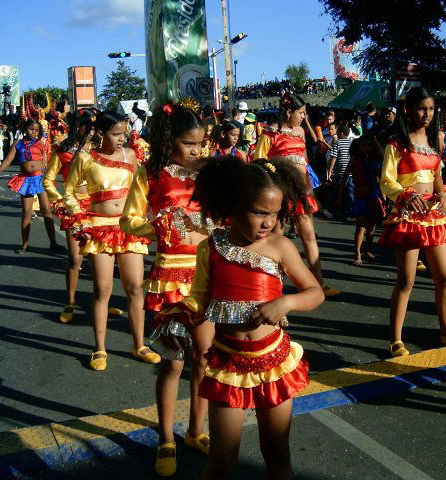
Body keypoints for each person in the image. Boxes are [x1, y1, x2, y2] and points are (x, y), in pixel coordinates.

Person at [171, 156, 324, 480]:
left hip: (274, 362)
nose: (268, 222)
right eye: (259, 213)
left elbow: (315, 292)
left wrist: (287, 302)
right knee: (222, 460)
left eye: (274, 213)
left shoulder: (281, 247)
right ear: (233, 205)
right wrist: (178, 318)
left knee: (277, 454)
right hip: (229, 365)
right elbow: (199, 297)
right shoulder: (210, 248)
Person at [120, 103, 213, 476]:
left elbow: (223, 216)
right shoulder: (150, 174)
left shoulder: (209, 174)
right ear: (170, 141)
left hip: (206, 276)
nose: (197, 151)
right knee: (173, 364)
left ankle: (195, 431)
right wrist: (156, 226)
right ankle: (166, 438)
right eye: (190, 144)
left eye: (201, 144)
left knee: (204, 359)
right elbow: (129, 220)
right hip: (170, 277)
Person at [63, 110, 158, 371]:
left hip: (128, 227)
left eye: (124, 133)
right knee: (102, 290)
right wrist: (80, 221)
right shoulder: (85, 158)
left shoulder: (131, 155)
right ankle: (100, 348)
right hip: (99, 229)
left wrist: (145, 215)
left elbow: (142, 188)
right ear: (101, 134)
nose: (121, 138)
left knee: (135, 289)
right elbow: (69, 193)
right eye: (116, 134)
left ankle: (139, 345)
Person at [379, 87, 446, 357]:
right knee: (406, 280)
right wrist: (405, 195)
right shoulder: (396, 143)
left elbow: (438, 178)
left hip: (433, 216)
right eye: (422, 108)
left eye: (431, 109)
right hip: (408, 217)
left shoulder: (435, 143)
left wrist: (444, 195)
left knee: (444, 277)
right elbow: (386, 181)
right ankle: (396, 339)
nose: (427, 114)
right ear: (408, 110)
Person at [254, 92, 341, 296]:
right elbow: (258, 164)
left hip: (301, 193)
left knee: (309, 236)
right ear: (288, 111)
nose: (303, 117)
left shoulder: (301, 132)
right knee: (276, 237)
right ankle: (273, 285)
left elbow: (304, 162)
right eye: (301, 113)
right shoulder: (270, 133)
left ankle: (319, 283)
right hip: (279, 194)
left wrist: (310, 190)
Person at [44, 109, 122, 323]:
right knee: (75, 258)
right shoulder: (63, 150)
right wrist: (61, 203)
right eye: (85, 125)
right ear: (76, 125)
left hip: (99, 210)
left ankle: (105, 301)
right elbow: (48, 180)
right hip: (75, 209)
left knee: (104, 258)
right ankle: (70, 301)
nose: (89, 131)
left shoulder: (100, 150)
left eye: (92, 126)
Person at [0, 119, 60, 252]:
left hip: (40, 179)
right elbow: (8, 159)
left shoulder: (41, 144)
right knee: (26, 212)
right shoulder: (17, 144)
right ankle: (24, 244)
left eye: (37, 130)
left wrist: (48, 174)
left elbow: (45, 160)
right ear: (25, 128)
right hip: (26, 180)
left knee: (47, 211)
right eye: (31, 129)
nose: (34, 132)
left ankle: (53, 243)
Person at [338, 132, 385, 265]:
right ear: (358, 146)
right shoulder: (355, 159)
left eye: (369, 145)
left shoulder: (375, 160)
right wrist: (339, 197)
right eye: (363, 145)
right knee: (361, 227)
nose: (366, 148)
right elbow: (344, 178)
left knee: (372, 228)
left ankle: (368, 250)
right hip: (361, 197)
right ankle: (357, 253)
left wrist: (384, 199)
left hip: (374, 196)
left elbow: (381, 180)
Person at [325, 125, 354, 219]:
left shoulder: (337, 143)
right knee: (349, 193)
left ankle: (330, 210)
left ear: (341, 133)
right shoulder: (351, 143)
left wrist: (330, 170)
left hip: (339, 173)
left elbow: (334, 157)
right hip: (350, 173)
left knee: (335, 192)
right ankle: (349, 212)